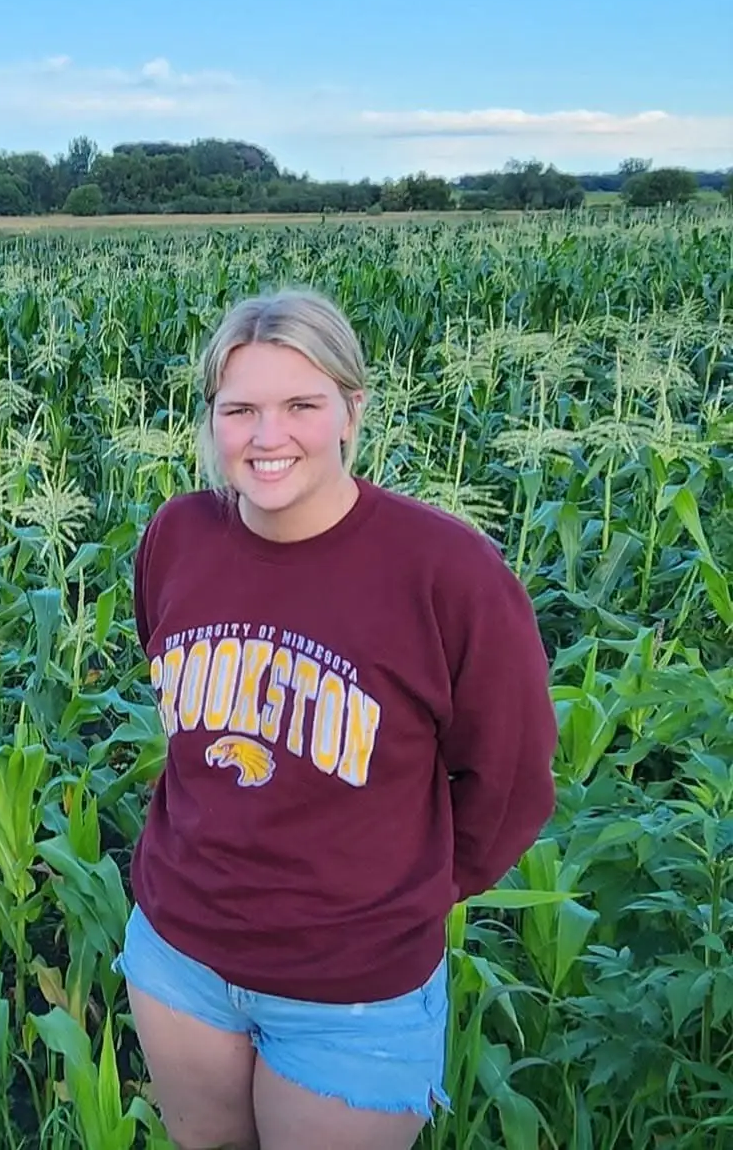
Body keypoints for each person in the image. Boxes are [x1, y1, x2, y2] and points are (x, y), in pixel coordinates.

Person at [120, 289, 557, 1150]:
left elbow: (508, 778)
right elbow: (183, 720)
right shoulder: (178, 536)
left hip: (352, 994)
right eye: (239, 408)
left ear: (353, 410)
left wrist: (396, 898)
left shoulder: (446, 573)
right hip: (181, 960)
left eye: (301, 405)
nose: (267, 435)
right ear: (211, 418)